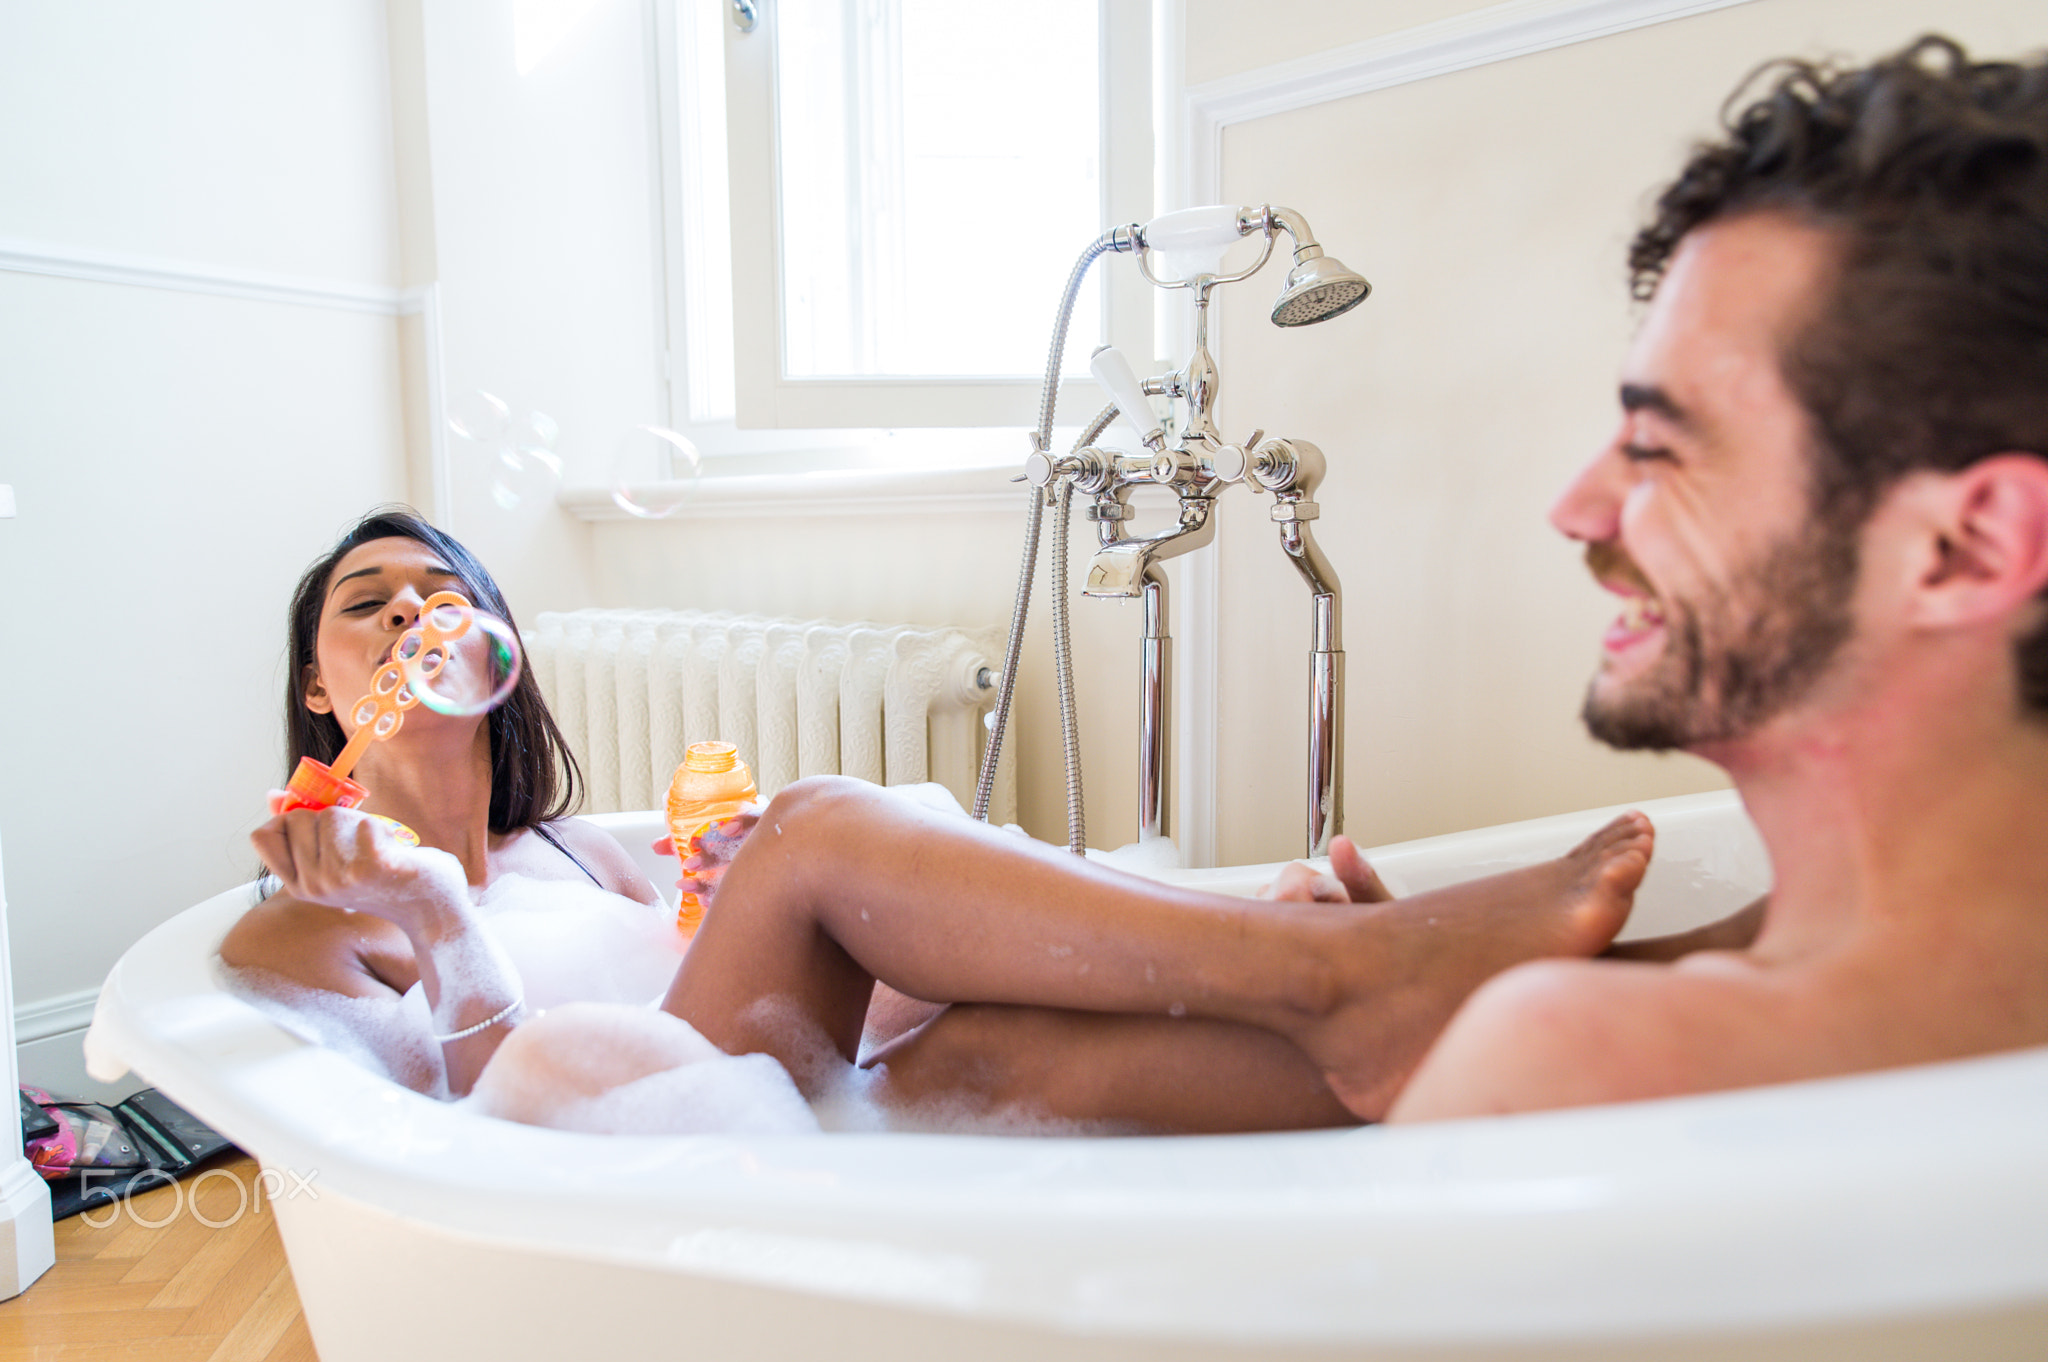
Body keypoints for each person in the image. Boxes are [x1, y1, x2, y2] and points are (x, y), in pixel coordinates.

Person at [500, 33, 2048, 1127]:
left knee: (825, 841)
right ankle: (1334, 973)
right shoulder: (1884, 963)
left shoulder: (1578, 1055)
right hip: (961, 1119)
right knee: (962, 1053)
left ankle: (1334, 973)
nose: (1578, 505)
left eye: (1665, 445)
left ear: (1970, 544)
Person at [225, 508, 1655, 1126]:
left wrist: (732, 903)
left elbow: (792, 1004)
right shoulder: (312, 915)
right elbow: (464, 1136)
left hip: (774, 1108)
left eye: (446, 593)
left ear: (500, 645)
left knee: (1010, 1051)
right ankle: (1344, 974)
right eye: (372, 604)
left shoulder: (578, 851)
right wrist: (434, 910)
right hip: (622, 1176)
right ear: (317, 680)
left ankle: (1644, 1002)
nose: (418, 612)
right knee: (818, 822)